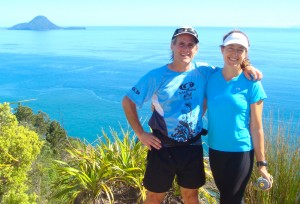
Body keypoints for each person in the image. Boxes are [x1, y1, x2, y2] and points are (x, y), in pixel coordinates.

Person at [122, 26, 262, 204]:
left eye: (190, 45)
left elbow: (231, 66)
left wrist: (247, 66)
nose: (185, 49)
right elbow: (128, 101)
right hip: (162, 146)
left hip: (192, 146)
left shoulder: (204, 71)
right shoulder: (157, 76)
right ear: (172, 46)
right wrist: (141, 134)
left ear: (196, 49)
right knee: (154, 196)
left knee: (191, 196)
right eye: (181, 44)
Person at [205, 30, 272, 204]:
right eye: (230, 48)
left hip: (240, 151)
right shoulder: (209, 78)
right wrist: (158, 103)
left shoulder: (252, 83)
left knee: (231, 199)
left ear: (245, 53)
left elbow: (257, 128)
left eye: (240, 49)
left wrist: (262, 164)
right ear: (222, 50)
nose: (234, 54)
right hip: (215, 149)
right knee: (226, 197)